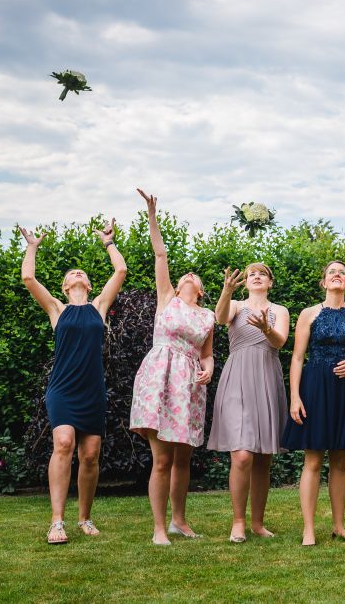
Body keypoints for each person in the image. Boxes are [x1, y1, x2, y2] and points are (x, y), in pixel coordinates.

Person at [19, 219, 126, 545]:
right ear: (65, 286)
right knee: (63, 443)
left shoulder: (99, 307)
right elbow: (28, 278)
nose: (77, 274)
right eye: (71, 274)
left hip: (92, 390)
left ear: (89, 285)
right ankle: (56, 522)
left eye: (82, 273)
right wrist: (32, 247)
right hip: (63, 389)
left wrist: (108, 243)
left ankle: (84, 518)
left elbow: (120, 271)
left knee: (90, 454)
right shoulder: (57, 309)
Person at [129, 189, 216, 546]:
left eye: (194, 277)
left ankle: (179, 520)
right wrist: (152, 216)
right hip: (161, 378)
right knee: (162, 459)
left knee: (183, 459)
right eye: (184, 276)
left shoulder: (208, 316)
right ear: (178, 286)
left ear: (201, 290)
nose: (188, 276)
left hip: (190, 384)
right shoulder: (167, 299)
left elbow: (207, 353)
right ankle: (159, 528)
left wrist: (208, 368)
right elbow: (161, 254)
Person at [281, 261, 345, 546]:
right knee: (312, 458)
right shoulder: (309, 313)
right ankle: (308, 529)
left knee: (340, 460)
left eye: (342, 273)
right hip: (315, 386)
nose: (337, 274)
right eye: (332, 272)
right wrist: (294, 397)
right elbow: (297, 357)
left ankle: (339, 526)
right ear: (324, 282)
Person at [208, 263, 290, 543]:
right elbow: (220, 318)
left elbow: (279, 342)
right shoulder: (236, 305)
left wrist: (266, 328)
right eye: (251, 273)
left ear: (270, 282)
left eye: (262, 273)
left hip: (267, 377)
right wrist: (226, 291)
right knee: (242, 455)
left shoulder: (279, 310)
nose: (256, 276)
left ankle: (257, 523)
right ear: (245, 282)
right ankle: (238, 522)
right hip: (238, 377)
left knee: (263, 458)